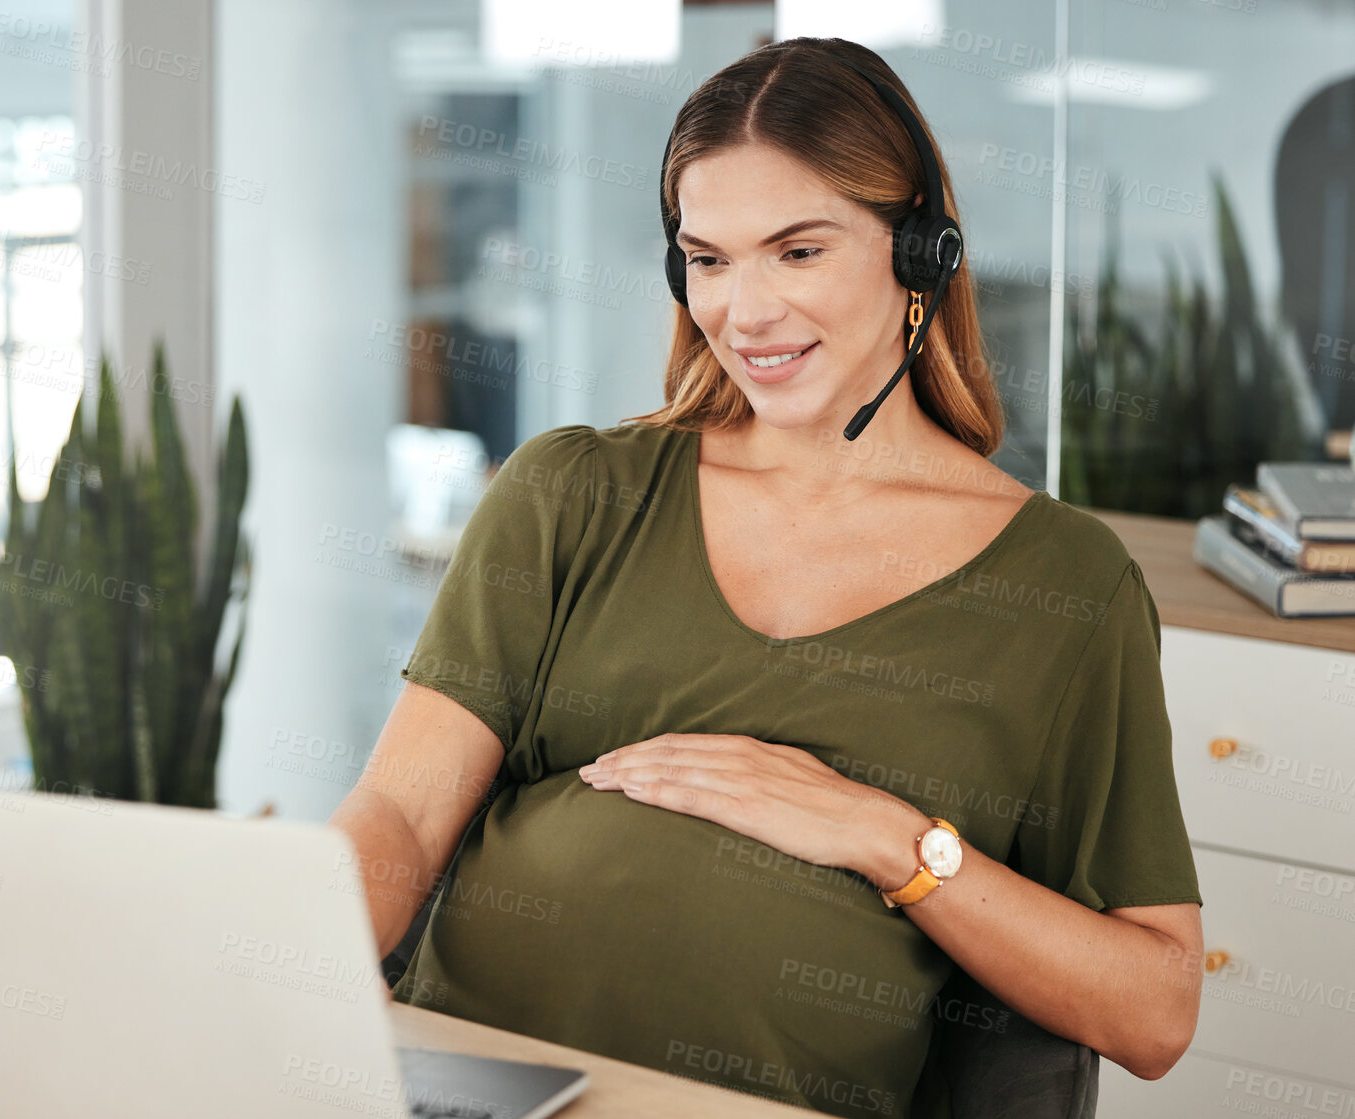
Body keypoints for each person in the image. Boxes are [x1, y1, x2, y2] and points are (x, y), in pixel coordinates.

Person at [328, 37, 1203, 1119]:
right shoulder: (569, 494)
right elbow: (404, 822)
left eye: (798, 252)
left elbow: (1155, 1008)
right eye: (709, 259)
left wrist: (886, 838)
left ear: (919, 255)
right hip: (467, 1083)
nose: (745, 313)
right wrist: (283, 984)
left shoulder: (1067, 584)